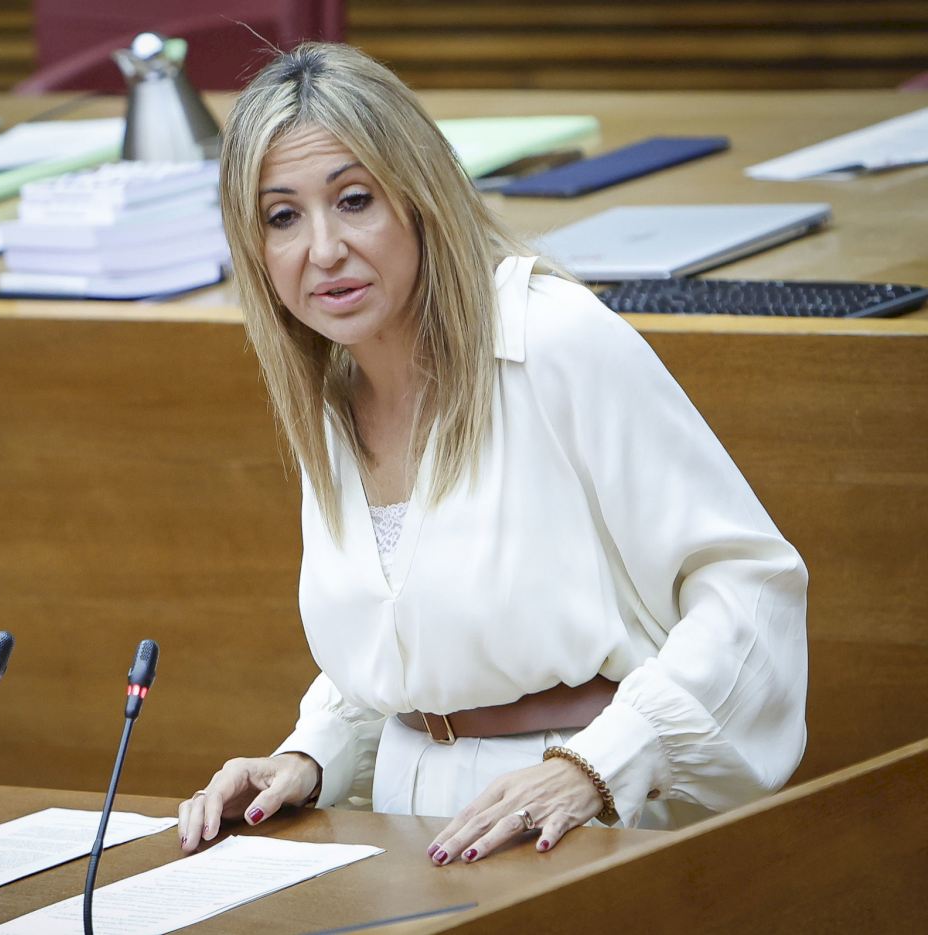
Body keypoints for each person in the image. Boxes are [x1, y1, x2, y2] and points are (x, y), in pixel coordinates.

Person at [177, 42, 808, 866]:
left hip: (579, 821)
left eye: (354, 200)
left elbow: (750, 587)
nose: (323, 249)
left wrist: (595, 765)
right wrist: (311, 753)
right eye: (282, 217)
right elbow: (428, 640)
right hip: (407, 833)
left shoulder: (554, 338)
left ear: (420, 197)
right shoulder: (332, 396)